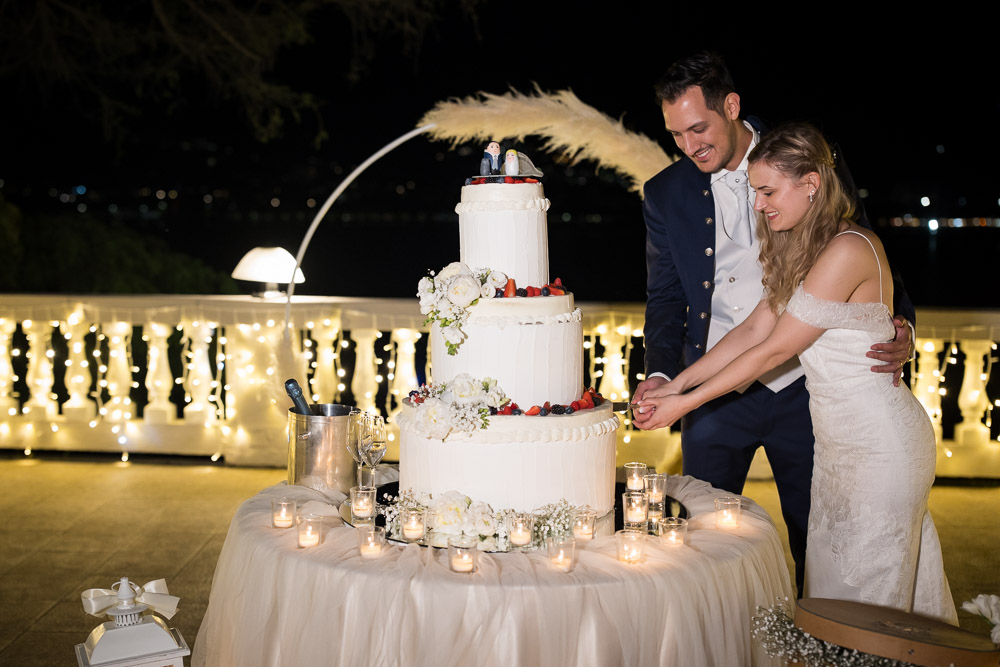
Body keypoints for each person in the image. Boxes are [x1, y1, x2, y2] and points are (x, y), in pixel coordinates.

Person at [637, 122, 956, 622]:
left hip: (879, 447)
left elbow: (772, 350)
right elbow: (749, 329)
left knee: (870, 602)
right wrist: (673, 383)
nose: (759, 205)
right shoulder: (803, 248)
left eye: (767, 191)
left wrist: (682, 406)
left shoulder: (848, 249)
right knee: (829, 590)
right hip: (836, 448)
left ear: (810, 183)